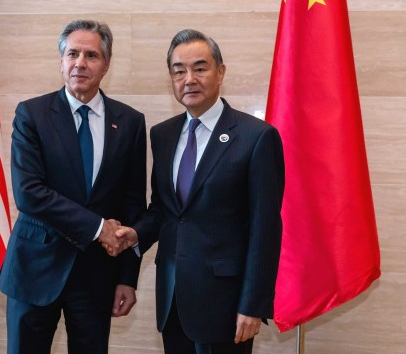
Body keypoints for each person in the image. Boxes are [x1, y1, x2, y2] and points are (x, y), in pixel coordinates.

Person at [107, 29, 285, 354]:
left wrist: (253, 304)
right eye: (179, 71)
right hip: (173, 297)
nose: (189, 79)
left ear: (220, 72)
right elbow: (164, 209)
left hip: (226, 304)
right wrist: (137, 234)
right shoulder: (163, 135)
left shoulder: (256, 137)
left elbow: (266, 229)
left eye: (200, 68)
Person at [0, 19, 147, 354]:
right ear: (61, 61)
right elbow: (29, 193)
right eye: (73, 53)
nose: (80, 62)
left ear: (106, 65)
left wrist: (127, 278)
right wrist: (98, 228)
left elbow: (132, 205)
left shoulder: (130, 122)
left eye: (91, 55)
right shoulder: (32, 114)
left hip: (97, 275)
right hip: (34, 269)